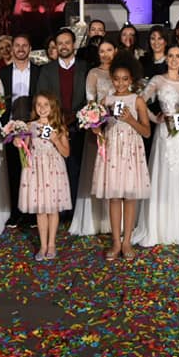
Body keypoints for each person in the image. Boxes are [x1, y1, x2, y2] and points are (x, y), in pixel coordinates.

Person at [133, 45, 179, 247]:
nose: (174, 59)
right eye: (171, 56)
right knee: (164, 174)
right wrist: (154, 118)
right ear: (166, 58)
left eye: (178, 56)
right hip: (165, 134)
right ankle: (159, 226)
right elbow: (139, 101)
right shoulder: (157, 80)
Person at [92, 55, 152, 260]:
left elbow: (146, 132)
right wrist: (96, 129)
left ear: (131, 80)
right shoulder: (106, 101)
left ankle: (127, 241)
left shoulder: (137, 100)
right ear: (111, 78)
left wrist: (130, 119)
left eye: (125, 79)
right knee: (115, 197)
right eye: (116, 78)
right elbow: (98, 126)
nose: (120, 83)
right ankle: (116, 242)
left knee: (130, 197)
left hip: (131, 152)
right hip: (112, 151)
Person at [37, 28, 88, 211]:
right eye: (60, 43)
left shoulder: (84, 67)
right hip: (55, 125)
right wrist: (56, 121)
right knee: (57, 169)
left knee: (76, 167)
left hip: (80, 125)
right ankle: (59, 210)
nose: (64, 46)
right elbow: (42, 97)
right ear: (56, 47)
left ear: (73, 44)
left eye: (67, 42)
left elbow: (89, 96)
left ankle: (75, 209)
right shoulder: (47, 70)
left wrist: (79, 116)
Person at [68, 40, 116, 235]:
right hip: (99, 129)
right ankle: (95, 219)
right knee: (96, 171)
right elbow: (90, 102)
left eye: (109, 50)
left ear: (116, 50)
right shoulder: (94, 73)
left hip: (119, 128)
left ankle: (114, 220)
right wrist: (95, 122)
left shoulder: (121, 72)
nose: (105, 54)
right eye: (102, 51)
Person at [20, 93, 72, 261]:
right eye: (38, 105)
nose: (42, 108)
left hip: (53, 170)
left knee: (52, 208)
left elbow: (66, 153)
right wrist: (19, 144)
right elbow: (25, 151)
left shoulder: (59, 126)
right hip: (36, 170)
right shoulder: (29, 126)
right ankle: (42, 246)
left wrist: (56, 140)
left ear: (53, 107)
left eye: (46, 105)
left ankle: (51, 244)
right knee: (41, 209)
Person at [0, 33, 40, 228]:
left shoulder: (40, 72)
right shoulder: (3, 74)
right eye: (17, 45)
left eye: (24, 45)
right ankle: (16, 213)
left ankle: (32, 213)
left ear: (30, 48)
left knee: (33, 171)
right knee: (14, 171)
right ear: (12, 48)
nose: (21, 49)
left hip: (34, 128)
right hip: (11, 129)